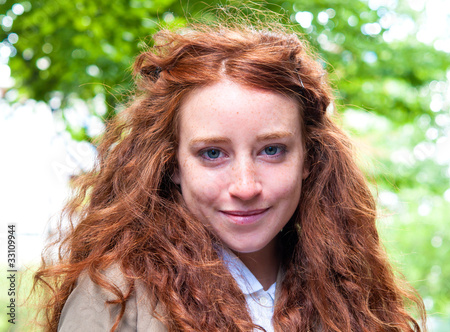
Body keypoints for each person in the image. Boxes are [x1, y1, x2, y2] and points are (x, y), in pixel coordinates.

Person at [33, 21, 426, 332]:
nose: (245, 187)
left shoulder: (350, 288)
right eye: (212, 154)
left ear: (309, 158)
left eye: (272, 150)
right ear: (172, 164)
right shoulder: (116, 293)